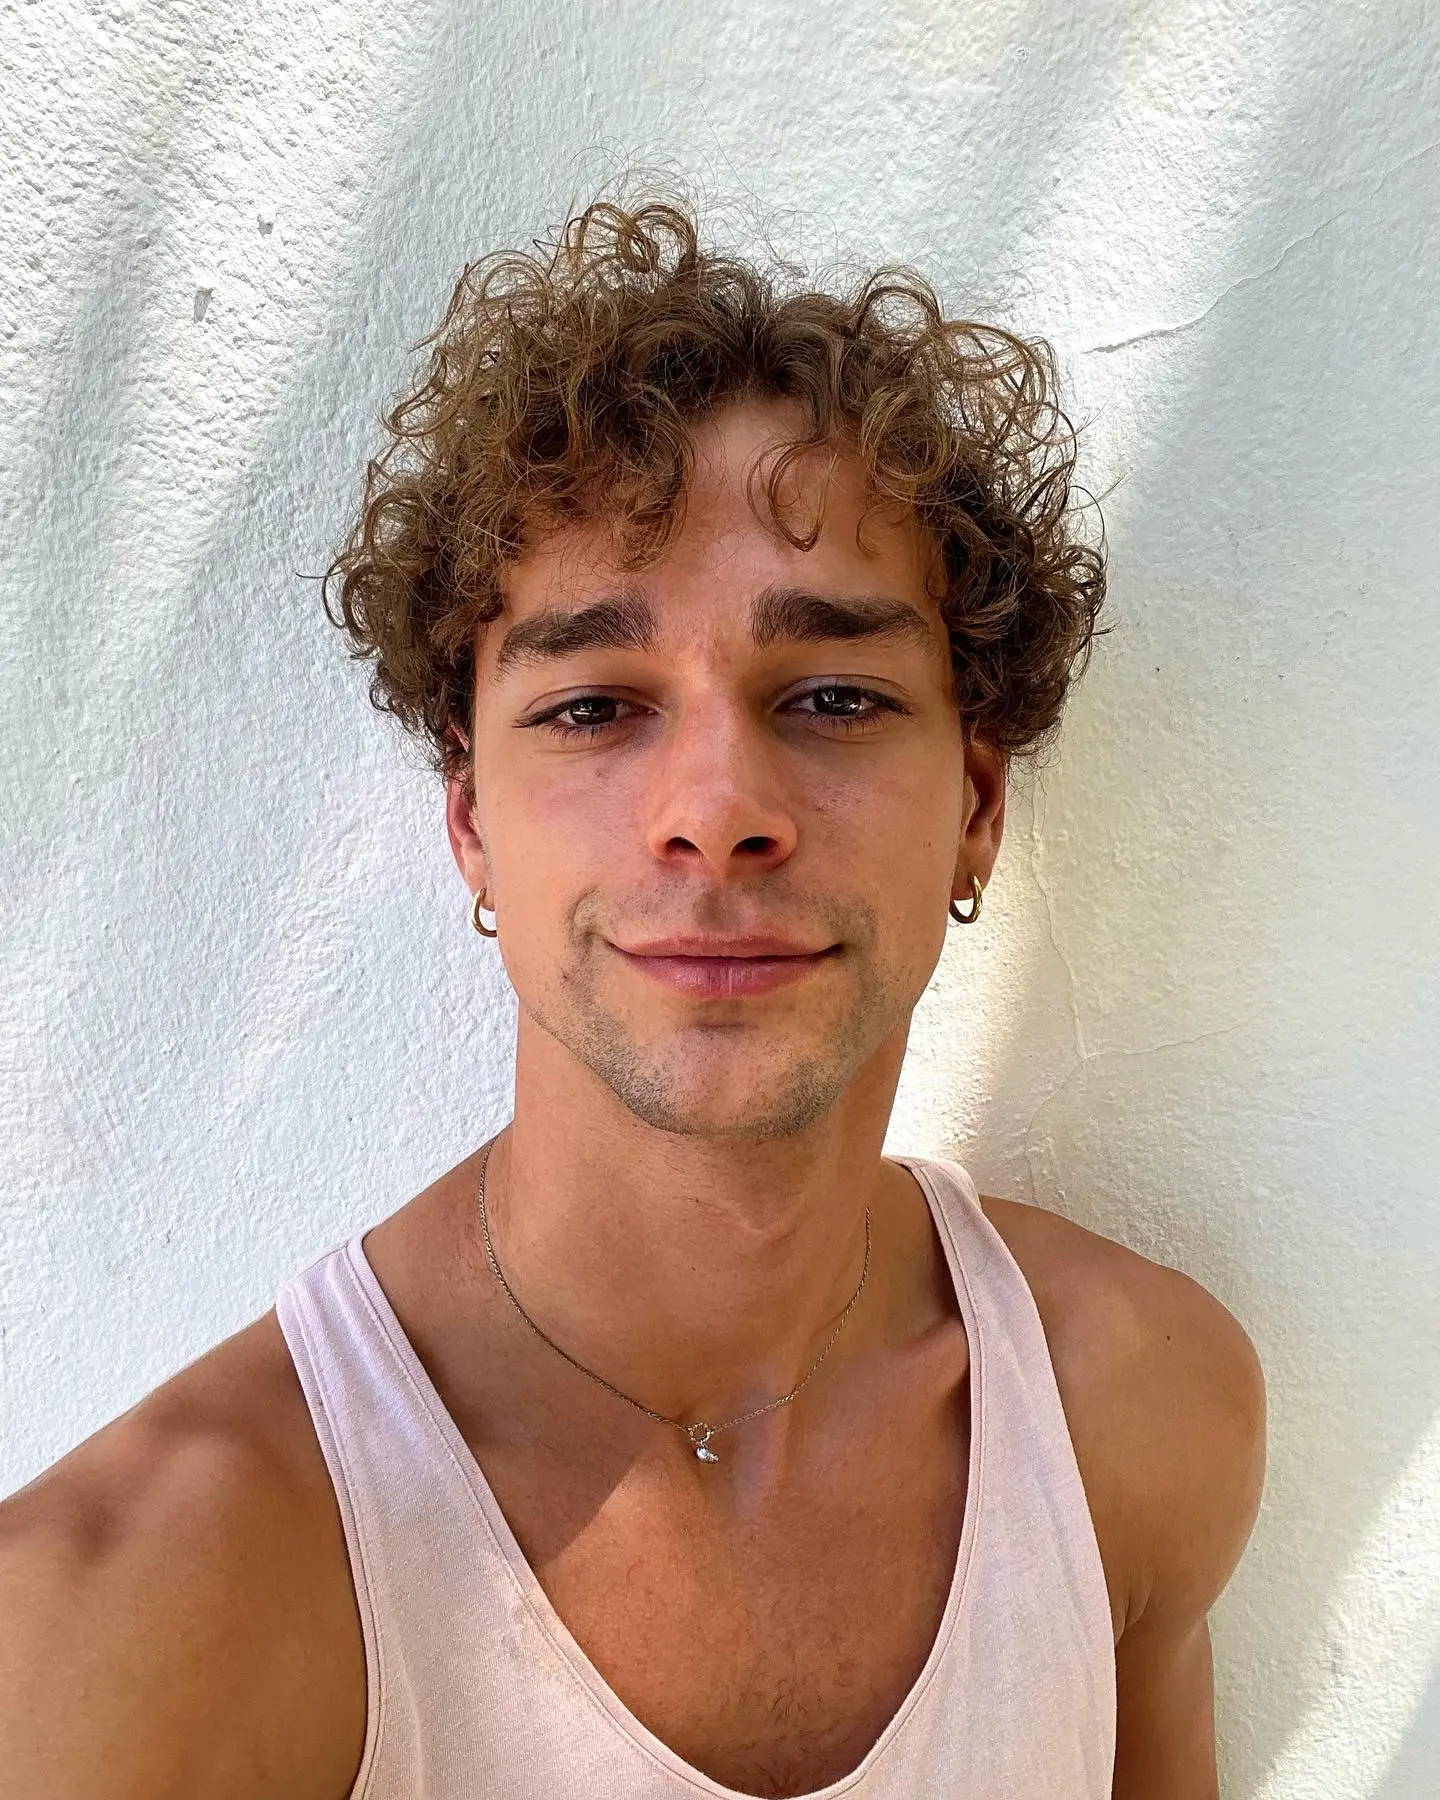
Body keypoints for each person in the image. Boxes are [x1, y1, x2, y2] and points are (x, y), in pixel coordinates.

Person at [0, 194, 1265, 1799]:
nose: (717, 805)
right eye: (596, 705)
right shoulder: (135, 1621)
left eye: (832, 694)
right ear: (471, 823)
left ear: (976, 807)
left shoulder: (1133, 1407)